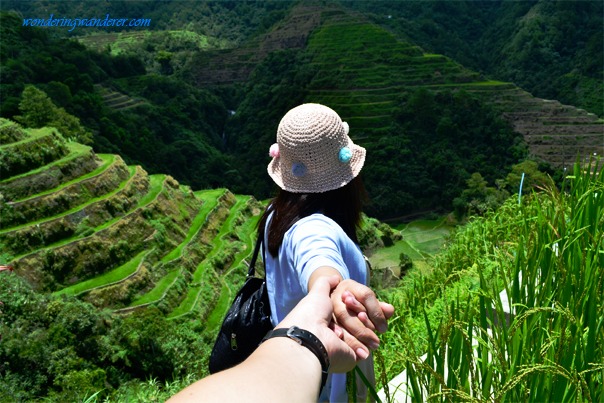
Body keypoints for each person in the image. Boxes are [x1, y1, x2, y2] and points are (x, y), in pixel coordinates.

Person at [260, 103, 393, 401]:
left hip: (293, 369)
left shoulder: (275, 214)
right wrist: (332, 287)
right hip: (330, 379)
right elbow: (318, 258)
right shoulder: (315, 228)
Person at [168, 276, 392, 403]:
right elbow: (319, 253)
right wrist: (335, 292)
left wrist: (310, 333)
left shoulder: (275, 217)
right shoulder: (318, 225)